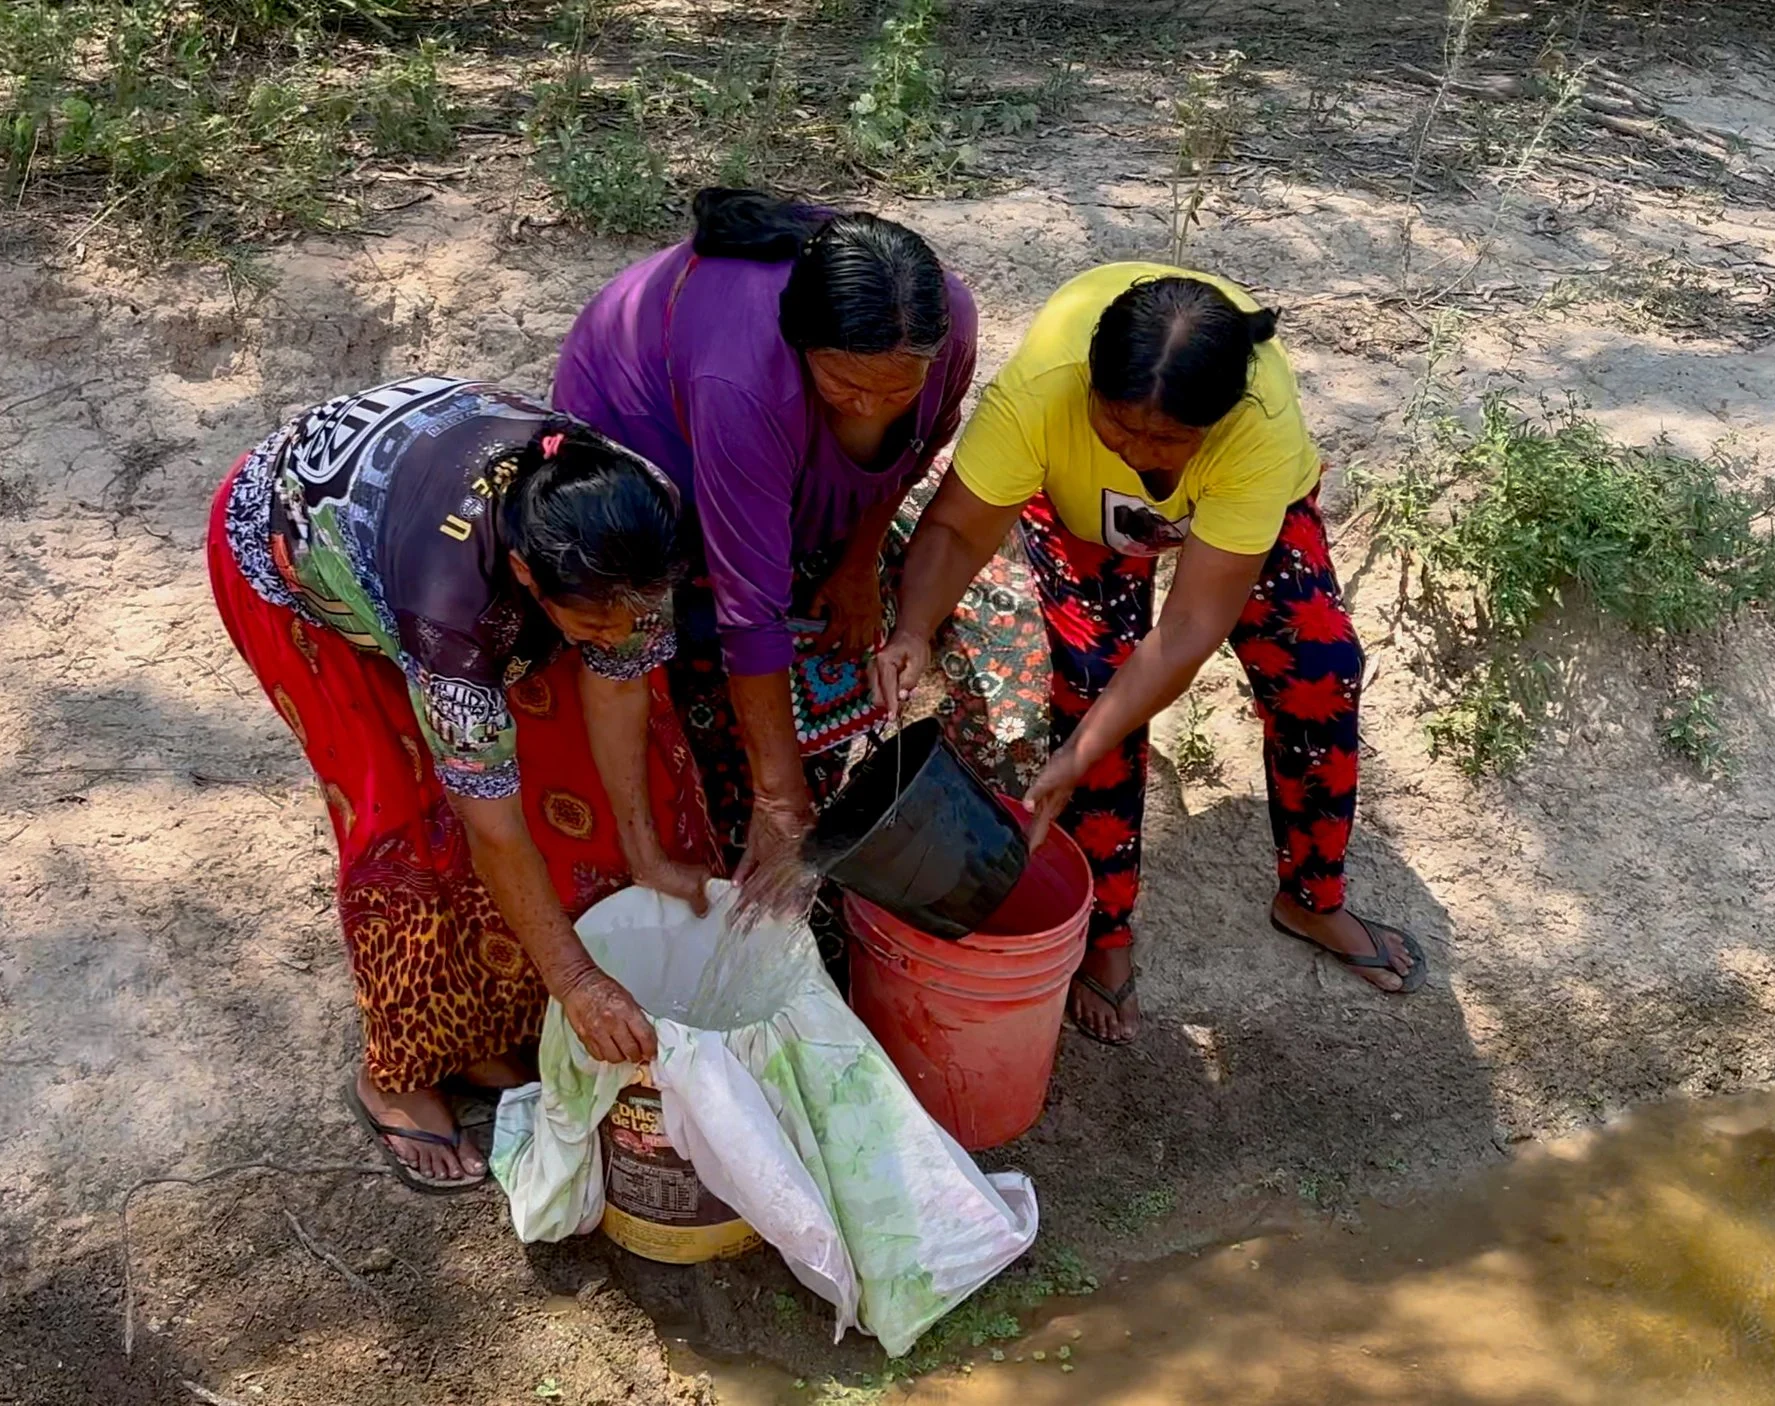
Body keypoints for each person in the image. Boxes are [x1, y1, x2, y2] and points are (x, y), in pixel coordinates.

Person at [869, 266, 1426, 1045]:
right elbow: (958, 529)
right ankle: (1108, 931)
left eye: (1166, 439)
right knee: (1089, 681)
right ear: (1087, 387)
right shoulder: (1040, 392)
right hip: (1075, 510)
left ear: (1220, 419)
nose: (1137, 452)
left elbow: (1193, 620)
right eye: (1118, 425)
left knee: (1319, 672)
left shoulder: (1257, 426)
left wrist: (1083, 747)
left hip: (1237, 519)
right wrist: (913, 631)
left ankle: (1312, 896)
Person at [205, 377, 717, 1192]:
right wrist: (578, 982)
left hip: (429, 530)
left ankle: (485, 1035)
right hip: (294, 553)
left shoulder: (635, 514)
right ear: (525, 575)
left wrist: (646, 853)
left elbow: (619, 680)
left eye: (630, 616)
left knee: (579, 780)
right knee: (411, 814)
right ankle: (399, 1072)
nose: (612, 638)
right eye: (587, 626)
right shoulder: (448, 606)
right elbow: (495, 828)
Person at [554, 188, 1031, 924]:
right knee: (695, 680)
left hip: (773, 452)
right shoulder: (743, 381)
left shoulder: (946, 329)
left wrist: (858, 563)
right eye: (845, 385)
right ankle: (743, 835)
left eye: (895, 389)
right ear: (801, 344)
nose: (871, 406)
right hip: (652, 453)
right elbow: (752, 613)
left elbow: (911, 451)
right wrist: (780, 800)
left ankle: (802, 817)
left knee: (831, 646)